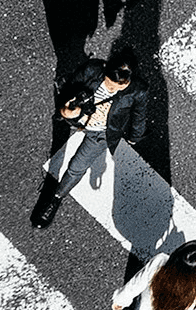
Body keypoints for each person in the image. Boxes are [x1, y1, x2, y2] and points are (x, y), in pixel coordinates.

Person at [31, 43, 142, 229]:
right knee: (65, 117)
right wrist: (70, 107)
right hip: (80, 117)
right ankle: (55, 195)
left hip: (101, 132)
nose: (113, 89)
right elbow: (67, 89)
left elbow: (139, 115)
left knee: (76, 167)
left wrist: (134, 136)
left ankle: (55, 199)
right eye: (109, 84)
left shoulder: (137, 90)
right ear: (105, 68)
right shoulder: (92, 69)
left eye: (118, 87)